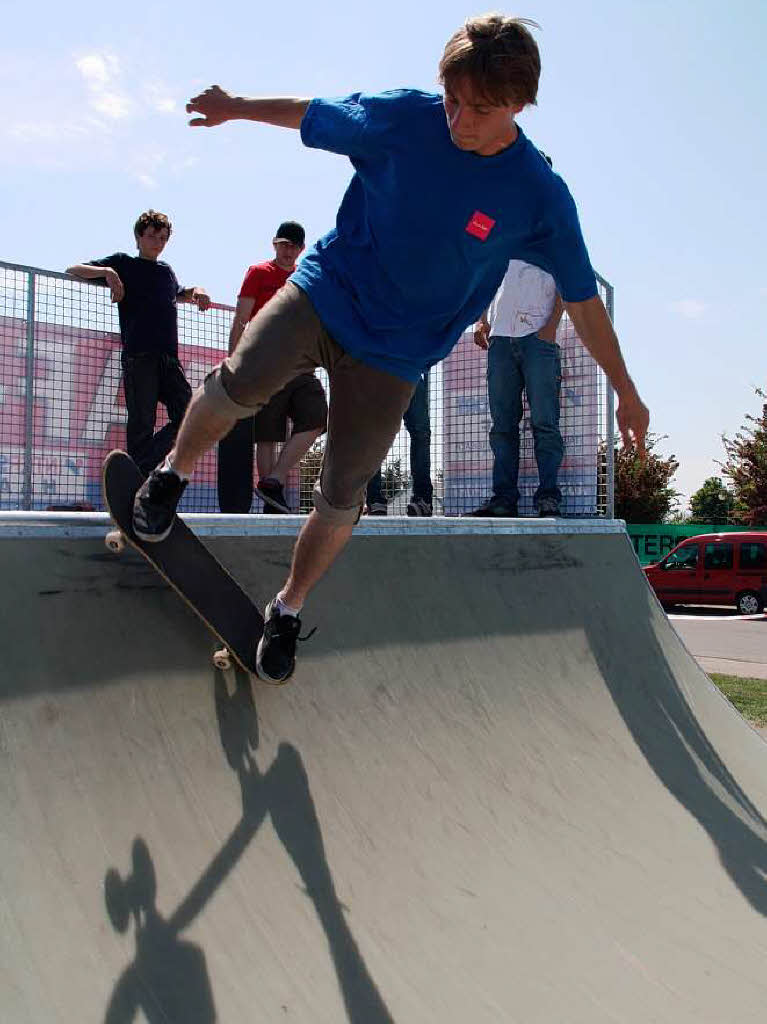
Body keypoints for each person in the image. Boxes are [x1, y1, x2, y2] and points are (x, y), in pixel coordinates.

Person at [131, 16, 649, 685]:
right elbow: (314, 113)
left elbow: (581, 300)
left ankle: (287, 608)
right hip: (328, 291)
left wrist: (627, 392)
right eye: (451, 99)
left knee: (343, 490)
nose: (457, 118)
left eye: (478, 109)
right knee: (240, 383)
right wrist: (235, 107)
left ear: (519, 106)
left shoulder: (538, 197)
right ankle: (171, 472)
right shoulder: (409, 117)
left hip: (396, 353)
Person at [66, 210, 211, 477]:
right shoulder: (124, 263)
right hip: (139, 357)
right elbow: (73, 269)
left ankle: (139, 468)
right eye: (153, 236)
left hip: (168, 358)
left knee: (192, 415)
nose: (158, 243)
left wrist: (197, 291)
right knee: (142, 425)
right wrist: (108, 273)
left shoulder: (166, 271)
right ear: (139, 237)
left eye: (163, 238)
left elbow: (179, 293)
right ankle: (137, 474)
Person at [217, 222, 328, 514]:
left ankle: (273, 481)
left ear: (302, 249)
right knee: (267, 435)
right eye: (283, 244)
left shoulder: (308, 277)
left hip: (302, 367)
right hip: (265, 364)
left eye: (293, 246)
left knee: (317, 418)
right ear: (274, 244)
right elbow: (241, 319)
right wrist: (233, 363)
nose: (288, 250)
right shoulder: (258, 273)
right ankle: (271, 503)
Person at [470, 239, 566, 517]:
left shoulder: (552, 233)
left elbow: (567, 280)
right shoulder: (503, 239)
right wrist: (481, 319)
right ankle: (503, 499)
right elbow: (487, 282)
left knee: (545, 423)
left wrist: (551, 327)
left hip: (539, 339)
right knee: (502, 426)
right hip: (500, 339)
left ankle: (548, 498)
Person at [365, 373, 433, 516]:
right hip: (384, 368)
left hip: (407, 368)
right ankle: (375, 499)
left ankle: (422, 501)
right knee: (373, 433)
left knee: (420, 433)